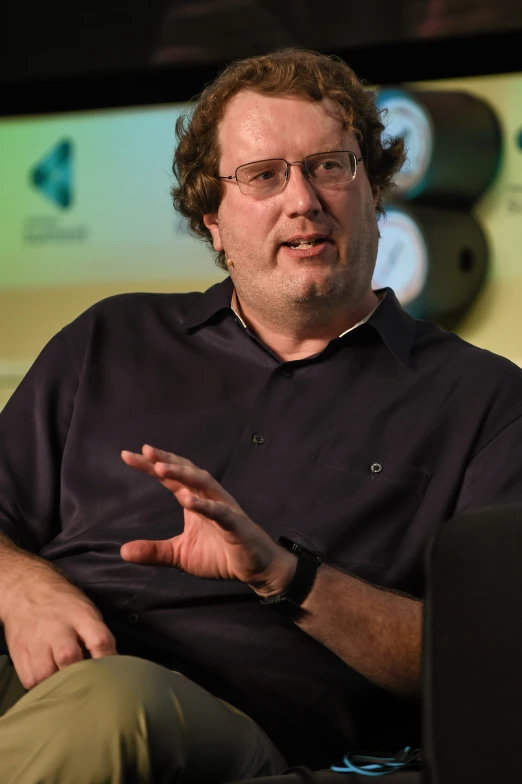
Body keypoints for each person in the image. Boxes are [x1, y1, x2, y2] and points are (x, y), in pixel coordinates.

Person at [0, 47, 521, 784]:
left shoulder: (484, 401)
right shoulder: (110, 338)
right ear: (211, 218)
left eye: (331, 167)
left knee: (110, 707)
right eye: (263, 175)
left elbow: (489, 664)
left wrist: (287, 576)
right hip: (30, 670)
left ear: (375, 191)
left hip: (219, 729)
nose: (302, 199)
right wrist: (23, 587)